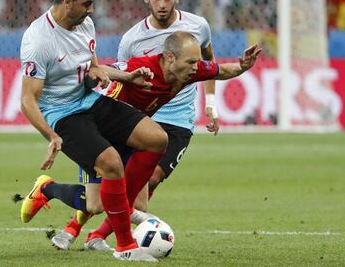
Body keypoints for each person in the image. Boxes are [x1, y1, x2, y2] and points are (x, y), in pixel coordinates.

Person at [27, 32, 261, 250]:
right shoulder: (142, 66)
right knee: (95, 205)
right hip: (101, 132)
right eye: (190, 62)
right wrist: (106, 78)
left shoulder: (192, 70)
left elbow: (221, 70)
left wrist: (242, 66)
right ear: (170, 58)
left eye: (196, 63)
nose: (195, 68)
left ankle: (103, 238)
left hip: (131, 136)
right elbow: (103, 69)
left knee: (134, 203)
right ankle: (48, 188)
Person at [52, 0, 221, 250]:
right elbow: (119, 84)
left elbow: (208, 63)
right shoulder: (132, 39)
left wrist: (211, 105)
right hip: (142, 117)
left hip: (178, 120)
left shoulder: (198, 26)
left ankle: (96, 235)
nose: (163, 3)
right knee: (109, 191)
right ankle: (72, 221)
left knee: (146, 184)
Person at [19, 0, 170, 262]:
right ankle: (127, 248)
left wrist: (126, 77)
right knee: (111, 165)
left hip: (91, 102)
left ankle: (118, 202)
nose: (91, 10)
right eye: (86, 3)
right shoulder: (39, 40)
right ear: (67, 2)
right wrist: (51, 135)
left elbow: (92, 69)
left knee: (156, 138)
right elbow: (28, 100)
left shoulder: (86, 25)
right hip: (63, 116)